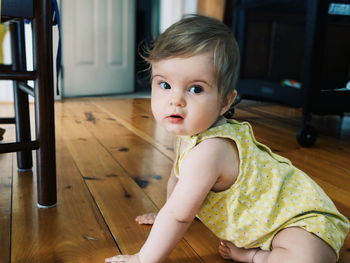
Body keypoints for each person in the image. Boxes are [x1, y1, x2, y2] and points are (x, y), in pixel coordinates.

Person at [105, 15, 349, 263]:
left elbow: (180, 217)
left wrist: (143, 258)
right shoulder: (192, 134)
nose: (175, 99)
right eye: (164, 85)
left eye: (196, 89)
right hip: (269, 225)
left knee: (307, 258)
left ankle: (255, 257)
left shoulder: (212, 150)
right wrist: (166, 210)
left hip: (302, 221)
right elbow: (177, 180)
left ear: (225, 102)